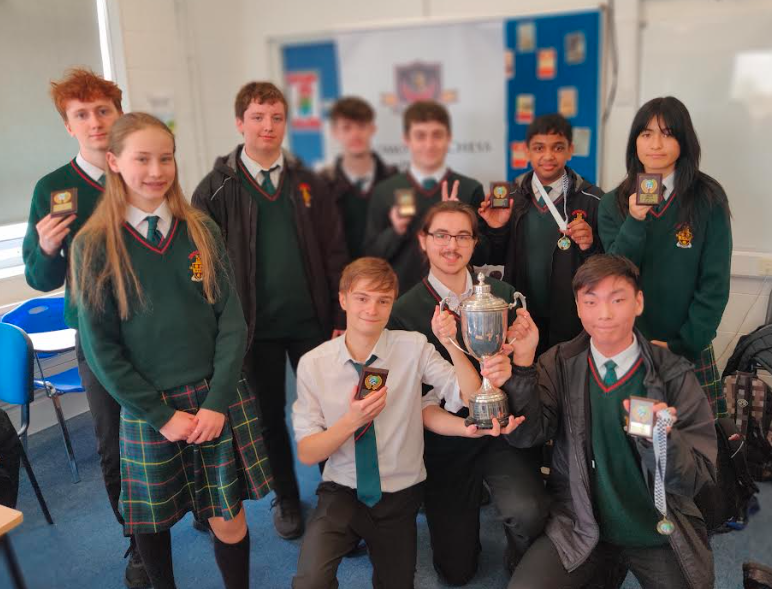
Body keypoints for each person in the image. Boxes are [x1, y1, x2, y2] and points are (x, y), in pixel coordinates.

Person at [73, 113, 272, 589]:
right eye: (142, 158)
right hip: (150, 408)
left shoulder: (200, 227)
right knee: (152, 521)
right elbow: (102, 349)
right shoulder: (94, 245)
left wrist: (217, 401)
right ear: (115, 162)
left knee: (228, 513)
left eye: (166, 157)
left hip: (215, 400)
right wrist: (160, 415)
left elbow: (231, 318)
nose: (157, 170)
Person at [291, 257, 515, 588]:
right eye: (362, 298)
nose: (372, 309)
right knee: (309, 581)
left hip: (398, 491)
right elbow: (308, 454)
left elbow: (468, 397)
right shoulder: (314, 363)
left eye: (383, 300)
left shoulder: (414, 347)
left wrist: (453, 344)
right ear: (343, 299)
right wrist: (352, 421)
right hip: (341, 488)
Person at [504, 254, 717, 589]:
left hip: (659, 529)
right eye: (591, 301)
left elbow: (694, 481)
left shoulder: (673, 373)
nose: (603, 314)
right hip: (582, 526)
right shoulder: (558, 362)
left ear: (638, 302)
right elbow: (528, 435)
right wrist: (524, 364)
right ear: (577, 306)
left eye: (617, 300)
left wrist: (661, 439)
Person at [192, 81, 348, 539]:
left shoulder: (309, 183)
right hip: (251, 330)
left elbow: (336, 251)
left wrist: (340, 318)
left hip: (312, 322)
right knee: (267, 416)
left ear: (286, 123)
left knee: (325, 409)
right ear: (240, 123)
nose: (268, 126)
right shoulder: (214, 190)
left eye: (276, 117)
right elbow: (204, 269)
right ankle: (286, 496)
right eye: (258, 117)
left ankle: (335, 493)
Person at [20, 68, 150, 588]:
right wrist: (48, 249)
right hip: (98, 341)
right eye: (82, 114)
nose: (95, 122)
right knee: (114, 444)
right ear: (68, 126)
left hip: (162, 333)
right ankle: (138, 543)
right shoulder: (53, 189)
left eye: (103, 110)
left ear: (119, 115)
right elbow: (39, 277)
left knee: (181, 429)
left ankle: (198, 509)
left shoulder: (144, 173)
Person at [389, 201, 548, 584]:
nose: (451, 245)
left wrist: (520, 361)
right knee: (456, 571)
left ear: (475, 243)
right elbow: (416, 404)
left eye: (462, 236)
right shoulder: (404, 312)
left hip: (503, 429)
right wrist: (463, 429)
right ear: (423, 241)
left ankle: (517, 543)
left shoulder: (504, 294)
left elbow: (524, 373)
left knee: (530, 514)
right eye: (440, 235)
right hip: (447, 438)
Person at [598, 96, 732, 417]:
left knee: (694, 445)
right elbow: (616, 275)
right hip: (630, 348)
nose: (655, 144)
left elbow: (714, 283)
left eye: (667, 133)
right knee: (637, 441)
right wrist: (635, 219)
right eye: (646, 134)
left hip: (688, 349)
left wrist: (681, 345)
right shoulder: (613, 203)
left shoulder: (707, 198)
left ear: (684, 141)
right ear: (635, 143)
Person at [478, 113, 604, 356]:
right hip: (520, 314)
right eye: (539, 148)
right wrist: (496, 228)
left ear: (570, 150)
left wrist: (590, 244)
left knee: (564, 384)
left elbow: (607, 265)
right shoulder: (508, 197)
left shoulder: (593, 199)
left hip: (571, 318)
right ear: (526, 151)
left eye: (558, 148)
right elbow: (490, 256)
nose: (548, 156)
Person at [363, 100, 487, 294]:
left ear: (449, 138)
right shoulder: (385, 191)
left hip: (456, 302)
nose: (429, 144)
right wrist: (396, 231)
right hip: (400, 302)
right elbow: (371, 257)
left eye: (437, 135)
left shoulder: (470, 189)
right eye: (420, 136)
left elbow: (485, 256)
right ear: (406, 139)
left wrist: (460, 225)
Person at [321, 96, 397, 259]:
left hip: (390, 280)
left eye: (361, 126)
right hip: (341, 281)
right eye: (347, 128)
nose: (355, 134)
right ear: (335, 132)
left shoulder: (396, 181)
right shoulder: (322, 185)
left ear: (373, 129)